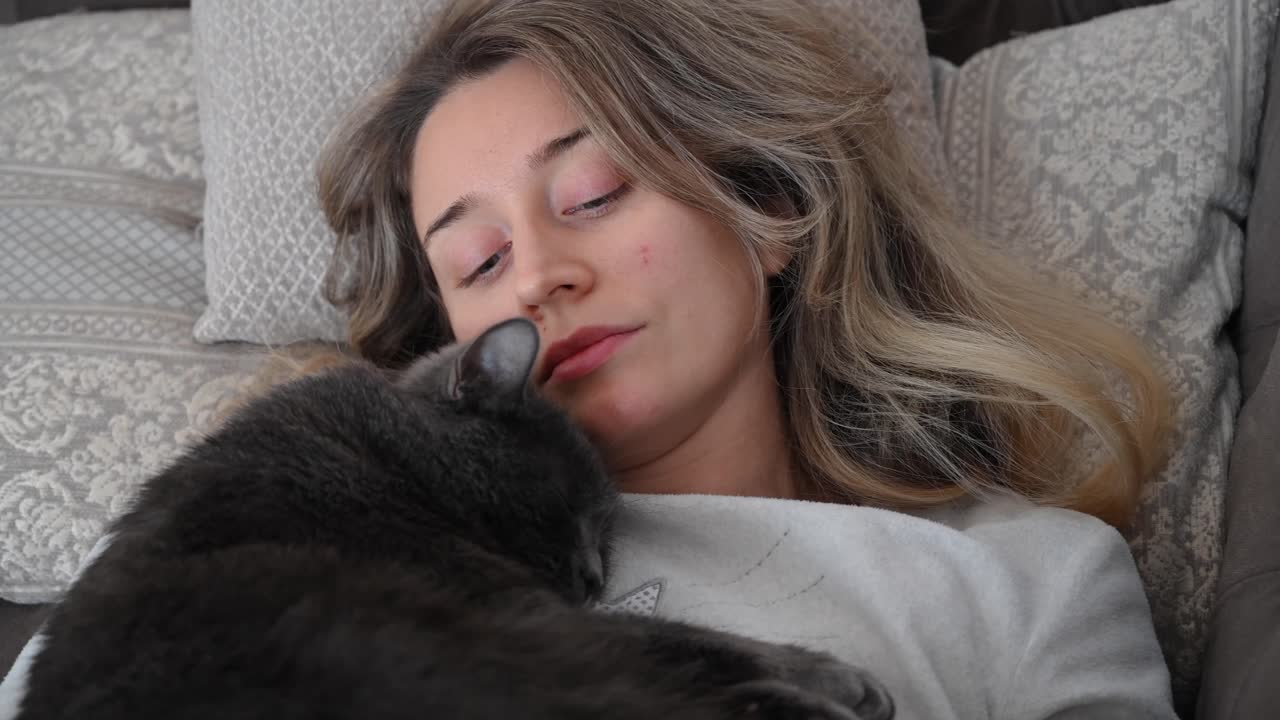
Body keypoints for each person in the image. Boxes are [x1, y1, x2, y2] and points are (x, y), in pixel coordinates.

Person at [310, 0, 1177, 716]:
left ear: (765, 202)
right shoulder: (359, 569)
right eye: (481, 264)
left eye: (594, 195)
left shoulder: (1032, 582)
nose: (536, 278)